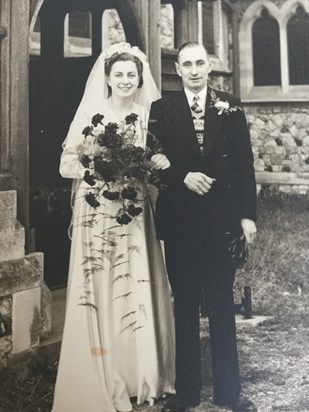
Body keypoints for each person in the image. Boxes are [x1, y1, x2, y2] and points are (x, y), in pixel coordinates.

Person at [52, 42, 175, 412]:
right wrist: (99, 168)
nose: (125, 80)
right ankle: (102, 371)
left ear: (140, 80)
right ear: (107, 78)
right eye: (118, 74)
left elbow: (158, 160)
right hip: (99, 212)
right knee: (101, 284)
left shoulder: (145, 114)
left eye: (131, 75)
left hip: (134, 210)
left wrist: (151, 163)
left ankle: (141, 373)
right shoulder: (92, 112)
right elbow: (65, 164)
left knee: (135, 281)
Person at [147, 42, 258, 412]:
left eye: (199, 63)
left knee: (223, 306)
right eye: (186, 65)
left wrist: (247, 216)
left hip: (222, 222)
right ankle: (188, 394)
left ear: (209, 66)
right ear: (177, 70)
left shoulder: (231, 107)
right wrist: (184, 177)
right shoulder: (161, 109)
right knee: (186, 308)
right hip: (180, 223)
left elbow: (244, 164)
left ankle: (230, 394)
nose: (194, 71)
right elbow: (154, 162)